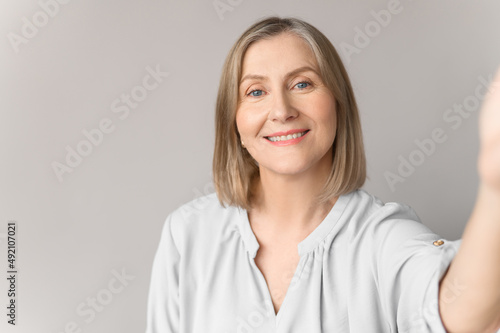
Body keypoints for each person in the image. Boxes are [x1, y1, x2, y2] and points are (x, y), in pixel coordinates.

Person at [145, 16, 500, 332]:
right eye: (256, 92)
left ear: (338, 103)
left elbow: (465, 315)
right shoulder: (187, 234)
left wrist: (495, 186)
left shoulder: (380, 237)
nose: (281, 110)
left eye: (302, 84)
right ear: (233, 121)